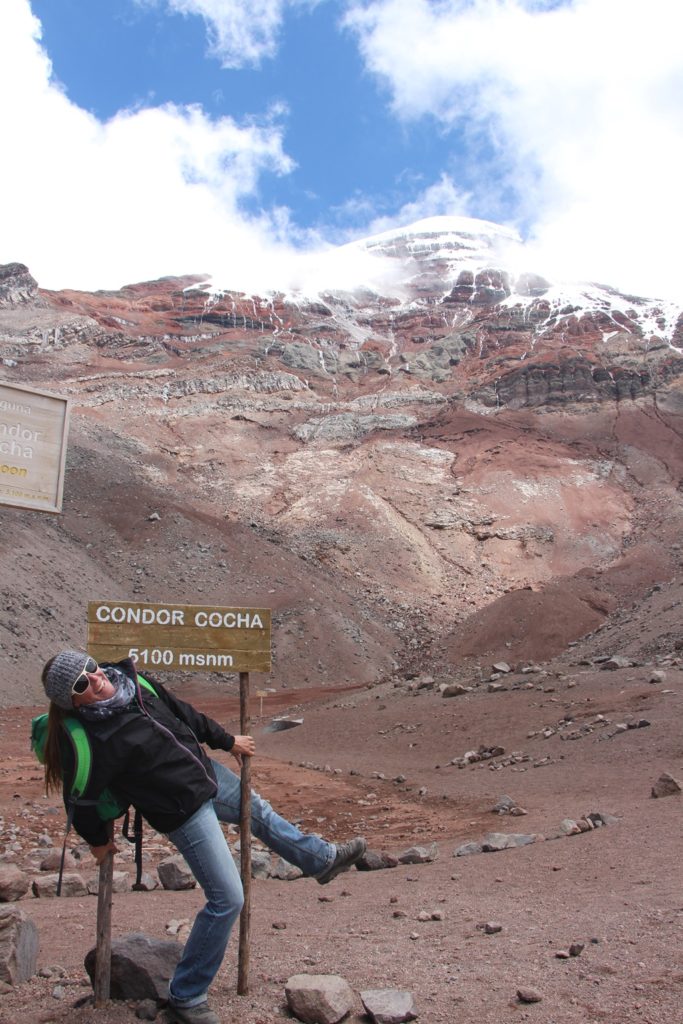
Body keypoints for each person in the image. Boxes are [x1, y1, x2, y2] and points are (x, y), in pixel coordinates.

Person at [41, 650, 366, 1024]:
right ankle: (187, 996)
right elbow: (80, 801)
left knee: (258, 812)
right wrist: (98, 841)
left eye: (90, 667)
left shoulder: (133, 680)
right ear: (73, 701)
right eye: (81, 683)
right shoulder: (93, 741)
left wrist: (227, 741)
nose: (95, 678)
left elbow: (183, 713)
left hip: (206, 774)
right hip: (183, 812)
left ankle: (321, 860)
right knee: (228, 898)